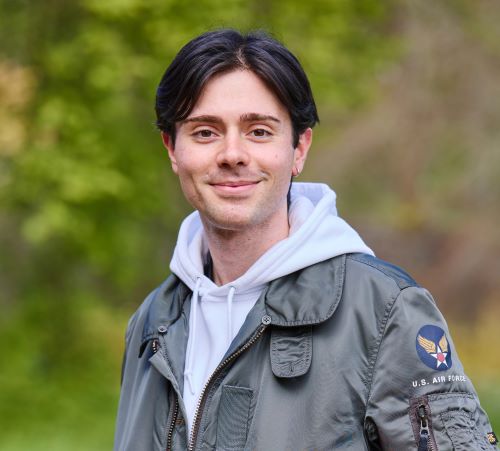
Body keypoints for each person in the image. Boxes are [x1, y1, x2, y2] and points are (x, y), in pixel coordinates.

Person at [114, 29, 497, 451]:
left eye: (259, 131)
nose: (232, 154)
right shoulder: (152, 324)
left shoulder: (384, 312)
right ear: (172, 148)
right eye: (205, 132)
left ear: (299, 148)